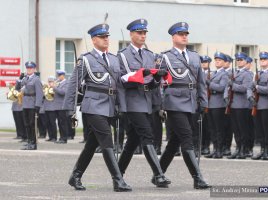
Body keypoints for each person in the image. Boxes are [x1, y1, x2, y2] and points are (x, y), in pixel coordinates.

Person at [63, 23, 132, 191]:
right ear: (94, 40)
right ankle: (118, 180)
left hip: (108, 106)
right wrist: (70, 109)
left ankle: (75, 176)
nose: (106, 39)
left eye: (107, 36)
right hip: (92, 105)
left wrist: (121, 107)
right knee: (107, 140)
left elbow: (119, 85)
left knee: (92, 144)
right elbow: (73, 84)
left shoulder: (115, 59)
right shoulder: (86, 59)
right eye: (102, 37)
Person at [117, 19, 170, 188]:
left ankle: (117, 174)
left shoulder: (150, 55)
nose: (142, 36)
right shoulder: (123, 55)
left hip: (147, 103)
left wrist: (156, 78)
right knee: (147, 135)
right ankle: (159, 175)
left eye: (144, 33)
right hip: (132, 102)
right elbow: (122, 81)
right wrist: (141, 76)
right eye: (139, 33)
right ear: (131, 34)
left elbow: (152, 85)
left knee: (132, 141)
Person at [158, 22, 211, 189]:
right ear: (173, 37)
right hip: (173, 102)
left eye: (186, 33)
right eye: (181, 34)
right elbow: (158, 83)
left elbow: (201, 82)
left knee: (175, 141)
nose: (184, 36)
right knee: (187, 138)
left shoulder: (195, 56)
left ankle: (157, 173)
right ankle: (198, 178)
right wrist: (160, 105)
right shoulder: (165, 57)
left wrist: (203, 101)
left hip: (191, 101)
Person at [251, 52, 268, 160]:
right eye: (261, 59)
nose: (262, 61)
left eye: (264, 59)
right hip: (257, 105)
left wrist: (257, 87)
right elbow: (250, 87)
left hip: (267, 105)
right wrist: (250, 95)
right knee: (260, 129)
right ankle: (262, 149)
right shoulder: (257, 74)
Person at [226, 52, 252, 159]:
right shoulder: (234, 73)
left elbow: (245, 88)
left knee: (243, 129)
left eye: (241, 60)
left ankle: (244, 149)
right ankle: (238, 147)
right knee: (236, 129)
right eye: (237, 60)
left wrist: (233, 85)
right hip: (233, 104)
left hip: (242, 105)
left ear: (246, 61)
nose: (239, 61)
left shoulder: (247, 74)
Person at [205, 52, 229, 159]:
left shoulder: (224, 74)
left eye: (219, 60)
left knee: (219, 129)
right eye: (216, 60)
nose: (217, 62)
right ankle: (214, 149)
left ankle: (220, 150)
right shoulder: (213, 73)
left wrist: (210, 83)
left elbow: (221, 87)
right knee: (212, 128)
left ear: (224, 62)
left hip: (219, 103)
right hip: (210, 103)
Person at [15, 61, 43, 150]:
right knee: (26, 124)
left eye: (31, 68)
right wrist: (19, 80)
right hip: (25, 104)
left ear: (34, 69)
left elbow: (40, 93)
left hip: (32, 104)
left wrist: (38, 106)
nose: (29, 69)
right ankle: (29, 142)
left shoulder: (36, 79)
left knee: (32, 124)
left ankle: (33, 143)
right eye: (27, 68)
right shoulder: (25, 79)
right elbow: (17, 89)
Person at [53, 70, 69, 143]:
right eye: (57, 76)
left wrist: (54, 88)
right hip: (57, 106)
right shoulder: (59, 83)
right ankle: (61, 137)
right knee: (59, 122)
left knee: (63, 123)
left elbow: (63, 92)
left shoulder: (66, 83)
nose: (58, 77)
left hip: (62, 106)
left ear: (63, 75)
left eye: (59, 76)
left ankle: (64, 138)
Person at [222, 55, 233, 156]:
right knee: (220, 127)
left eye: (224, 61)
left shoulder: (231, 73)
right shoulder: (216, 73)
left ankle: (227, 147)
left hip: (229, 103)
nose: (222, 63)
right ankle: (221, 147)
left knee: (228, 126)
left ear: (229, 62)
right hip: (220, 102)